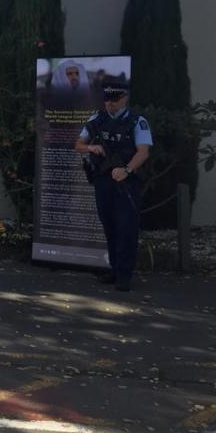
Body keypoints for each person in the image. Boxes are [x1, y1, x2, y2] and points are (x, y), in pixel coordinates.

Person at [74, 80, 152, 291]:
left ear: (124, 98)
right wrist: (92, 147)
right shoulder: (96, 119)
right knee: (108, 224)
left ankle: (125, 275)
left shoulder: (137, 121)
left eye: (114, 101)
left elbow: (143, 152)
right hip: (103, 180)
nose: (110, 105)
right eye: (107, 101)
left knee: (126, 227)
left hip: (127, 182)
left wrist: (126, 170)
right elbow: (78, 145)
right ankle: (115, 269)